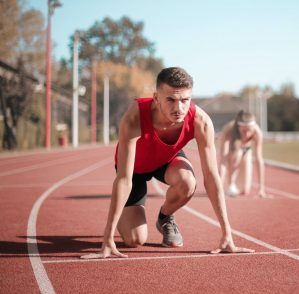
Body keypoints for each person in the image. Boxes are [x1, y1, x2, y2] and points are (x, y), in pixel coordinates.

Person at [81, 67, 253, 259]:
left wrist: (227, 234)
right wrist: (107, 239)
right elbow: (124, 179)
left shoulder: (201, 122)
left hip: (166, 160)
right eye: (170, 100)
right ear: (156, 98)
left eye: (185, 100)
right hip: (134, 169)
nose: (179, 108)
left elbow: (212, 177)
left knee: (188, 182)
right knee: (135, 240)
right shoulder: (134, 117)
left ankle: (165, 217)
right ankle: (123, 217)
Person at [218, 110, 269, 198]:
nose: (247, 133)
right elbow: (223, 160)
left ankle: (235, 186)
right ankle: (231, 184)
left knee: (245, 191)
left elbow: (259, 159)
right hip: (232, 152)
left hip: (247, 150)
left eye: (249, 130)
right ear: (238, 127)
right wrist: (218, 186)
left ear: (253, 127)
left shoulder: (257, 133)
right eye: (244, 130)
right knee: (237, 154)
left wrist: (261, 189)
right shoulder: (228, 130)